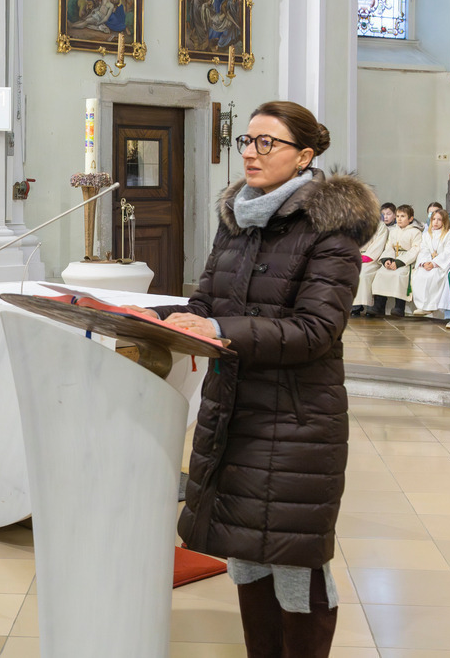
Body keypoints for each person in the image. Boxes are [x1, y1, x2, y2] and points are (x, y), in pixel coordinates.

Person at [126, 101, 378, 656]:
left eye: (268, 142)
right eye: (247, 140)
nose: (250, 153)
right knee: (246, 559)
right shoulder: (237, 222)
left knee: (295, 564)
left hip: (294, 422)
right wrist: (151, 318)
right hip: (233, 412)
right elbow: (205, 303)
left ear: (304, 156)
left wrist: (218, 327)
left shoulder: (330, 232)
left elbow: (316, 330)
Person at [369, 205, 423, 317]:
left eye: (403, 216)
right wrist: (387, 260)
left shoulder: (415, 232)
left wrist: (399, 262)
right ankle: (379, 306)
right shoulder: (393, 231)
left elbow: (415, 249)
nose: (399, 219)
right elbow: (389, 246)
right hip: (392, 258)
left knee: (399, 275)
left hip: (406, 262)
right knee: (381, 273)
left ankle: (399, 307)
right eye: (397, 216)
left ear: (410, 219)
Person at [411, 209, 450, 316]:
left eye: (439, 219)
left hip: (441, 265)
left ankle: (431, 306)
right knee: (419, 275)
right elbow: (424, 250)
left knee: (433, 276)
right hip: (428, 263)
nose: (435, 222)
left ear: (445, 221)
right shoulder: (427, 235)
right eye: (433, 219)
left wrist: (434, 263)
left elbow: (448, 252)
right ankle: (422, 306)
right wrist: (424, 263)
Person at [350, 208, 389, 317]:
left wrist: (366, 257)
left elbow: (379, 243)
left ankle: (368, 306)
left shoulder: (380, 226)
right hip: (355, 256)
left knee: (363, 273)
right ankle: (354, 306)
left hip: (372, 258)